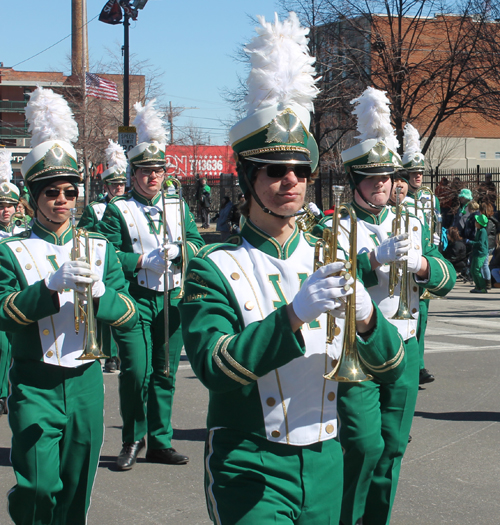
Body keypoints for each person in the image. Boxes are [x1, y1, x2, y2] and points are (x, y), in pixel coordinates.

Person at [179, 15, 404, 525]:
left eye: (301, 171)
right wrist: (293, 317)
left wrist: (369, 321)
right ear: (247, 178)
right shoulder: (212, 268)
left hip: (325, 459)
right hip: (248, 458)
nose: (291, 182)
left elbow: (388, 367)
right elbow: (216, 366)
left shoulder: (329, 256)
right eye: (275, 171)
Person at [0, 87, 138, 525]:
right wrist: (50, 288)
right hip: (34, 382)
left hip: (85, 380)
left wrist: (101, 295)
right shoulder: (11, 251)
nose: (62, 200)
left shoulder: (98, 248)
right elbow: (4, 311)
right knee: (39, 485)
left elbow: (129, 314)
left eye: (69, 191)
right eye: (51, 192)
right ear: (33, 198)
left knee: (78, 487)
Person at [324, 87, 455, 525]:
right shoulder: (335, 227)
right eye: (373, 179)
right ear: (355, 181)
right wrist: (372, 259)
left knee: (394, 446)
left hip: (405, 342)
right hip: (359, 347)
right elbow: (331, 279)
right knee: (363, 445)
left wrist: (420, 264)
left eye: (387, 178)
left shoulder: (413, 219)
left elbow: (446, 278)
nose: (383, 186)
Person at [97, 99, 205, 470]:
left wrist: (181, 250)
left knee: (165, 371)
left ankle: (160, 440)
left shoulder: (178, 205)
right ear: (133, 174)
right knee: (135, 372)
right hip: (136, 299)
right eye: (145, 171)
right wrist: (142, 260)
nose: (153, 177)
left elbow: (198, 243)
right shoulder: (118, 209)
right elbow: (106, 255)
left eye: (158, 170)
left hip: (171, 297)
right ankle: (132, 439)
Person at [79, 140, 129, 373]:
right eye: (114, 184)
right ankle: (107, 353)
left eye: (121, 184)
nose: (119, 188)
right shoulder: (95, 209)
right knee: (102, 310)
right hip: (102, 263)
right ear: (106, 186)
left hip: (124, 264)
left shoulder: (129, 207)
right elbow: (83, 235)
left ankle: (120, 352)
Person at [401, 123, 439, 386]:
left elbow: (434, 225)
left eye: (421, 172)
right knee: (407, 318)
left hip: (424, 260)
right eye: (413, 172)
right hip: (405, 264)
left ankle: (420, 365)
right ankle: (406, 365)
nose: (418, 176)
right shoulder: (399, 197)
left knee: (422, 316)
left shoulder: (428, 196)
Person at [0, 149, 21, 416]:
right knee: (2, 346)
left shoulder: (24, 232)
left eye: (9, 206)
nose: (5, 211)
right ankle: (2, 393)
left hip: (19, 293)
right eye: (0, 206)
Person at [468, 214, 489, 293]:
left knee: (476, 270)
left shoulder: (483, 231)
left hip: (481, 253)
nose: (475, 222)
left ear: (479, 223)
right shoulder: (479, 230)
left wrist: (470, 242)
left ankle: (482, 287)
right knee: (473, 270)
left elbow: (480, 243)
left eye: (476, 221)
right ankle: (477, 286)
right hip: (476, 252)